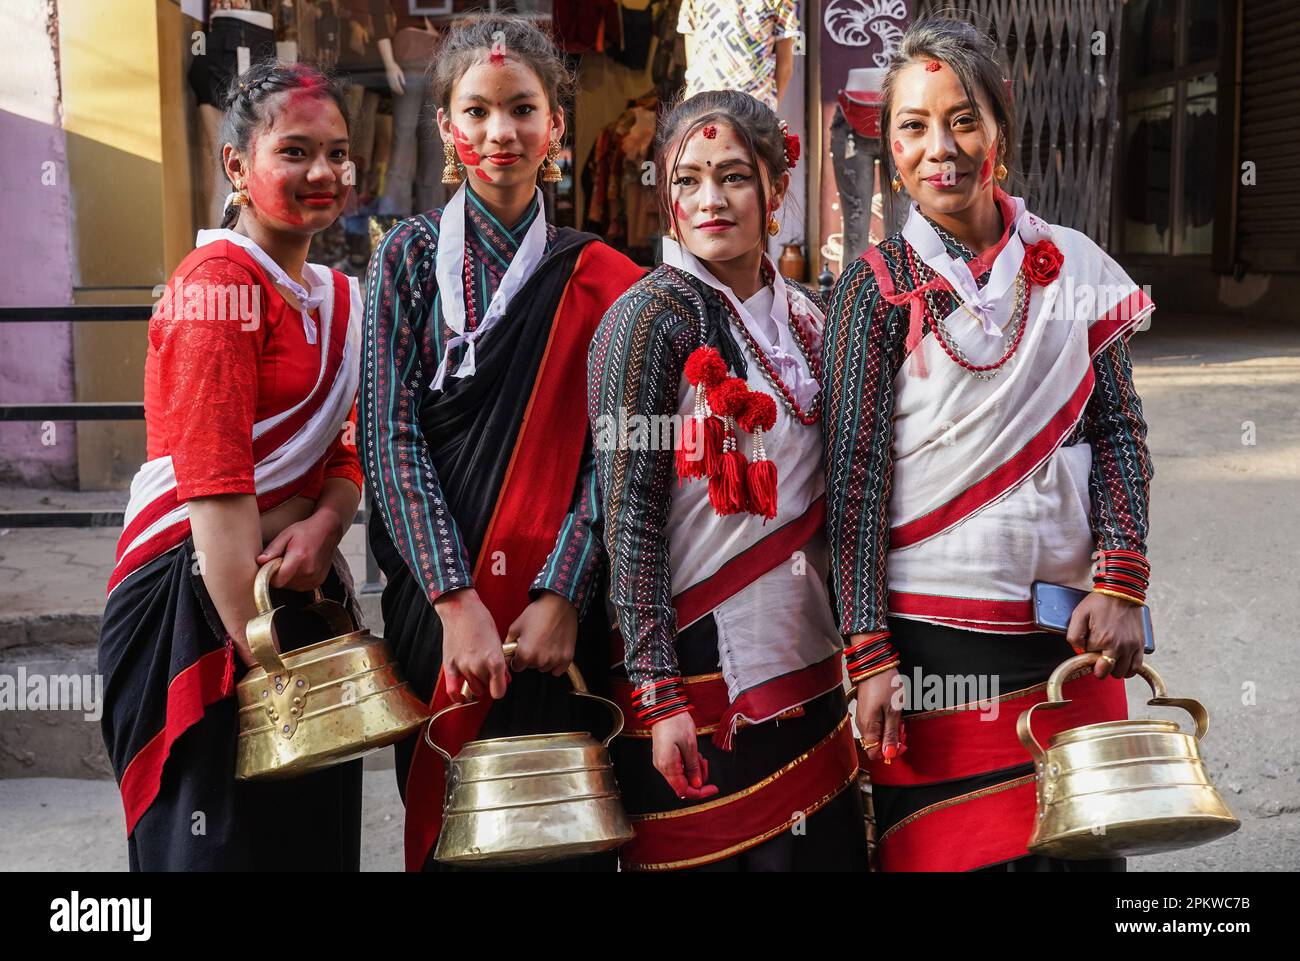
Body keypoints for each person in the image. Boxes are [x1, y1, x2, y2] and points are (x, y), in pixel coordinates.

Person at [822, 17, 1156, 872]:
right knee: (953, 857)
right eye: (914, 125)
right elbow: (853, 483)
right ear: (888, 144)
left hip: (1068, 634)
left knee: (1080, 855)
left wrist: (1122, 580)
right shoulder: (874, 288)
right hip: (933, 646)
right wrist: (868, 656)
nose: (942, 148)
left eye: (963, 119)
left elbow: (1117, 429)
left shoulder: (1071, 263)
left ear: (999, 130)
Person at [360, 15, 644, 873]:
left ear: (557, 124)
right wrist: (455, 599)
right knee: (458, 831)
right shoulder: (407, 260)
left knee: (563, 826)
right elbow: (389, 436)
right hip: (440, 613)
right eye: (476, 111)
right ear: (446, 127)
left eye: (522, 109)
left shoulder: (604, 275)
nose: (499, 133)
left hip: (559, 613)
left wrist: (561, 589)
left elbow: (619, 452)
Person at [589, 90, 869, 872]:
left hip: (808, 655)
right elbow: (629, 515)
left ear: (776, 192)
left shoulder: (811, 320)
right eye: (688, 180)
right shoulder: (644, 320)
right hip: (696, 669)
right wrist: (658, 693)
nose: (710, 199)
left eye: (735, 177)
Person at [99, 60, 365, 871]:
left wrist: (326, 521)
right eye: (294, 152)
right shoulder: (215, 287)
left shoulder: (335, 296)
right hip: (205, 611)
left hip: (301, 595)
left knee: (305, 839)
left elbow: (346, 444)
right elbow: (215, 488)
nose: (323, 173)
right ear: (237, 167)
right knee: (217, 845)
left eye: (338, 153)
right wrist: (270, 666)